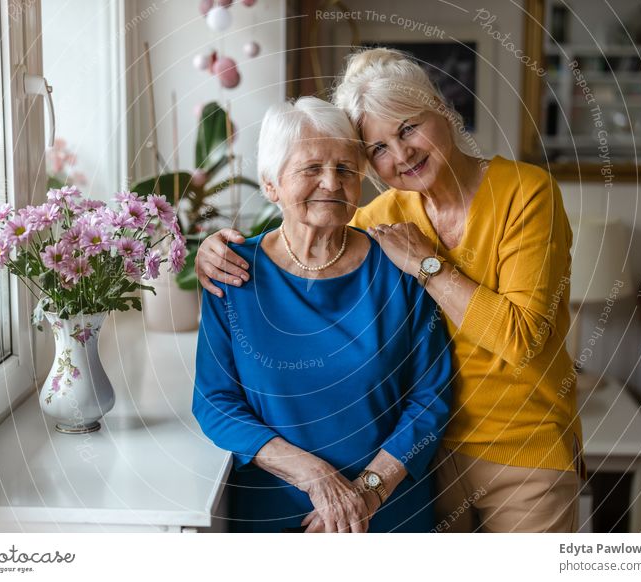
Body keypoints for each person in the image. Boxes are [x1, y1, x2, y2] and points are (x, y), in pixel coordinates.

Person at [196, 48, 584, 533]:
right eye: (378, 148)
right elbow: (313, 229)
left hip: (520, 447)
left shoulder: (523, 194)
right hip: (432, 463)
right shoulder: (380, 221)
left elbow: (518, 340)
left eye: (407, 128)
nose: (400, 155)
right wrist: (210, 248)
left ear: (442, 110)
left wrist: (428, 265)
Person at [192, 96, 452, 533]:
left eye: (346, 169)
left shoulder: (399, 265)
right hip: (274, 510)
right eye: (311, 169)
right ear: (271, 185)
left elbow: (431, 396)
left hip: (389, 509)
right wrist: (316, 477)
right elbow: (216, 403)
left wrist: (367, 491)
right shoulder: (233, 272)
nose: (331, 183)